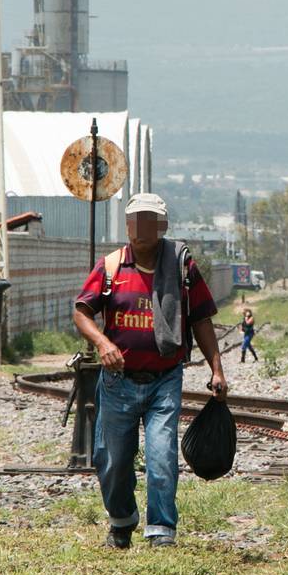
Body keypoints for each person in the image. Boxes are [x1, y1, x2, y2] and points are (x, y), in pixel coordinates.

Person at [73, 192, 227, 550]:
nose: (142, 228)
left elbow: (201, 319)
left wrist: (217, 370)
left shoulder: (181, 266)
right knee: (111, 461)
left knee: (161, 457)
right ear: (127, 226)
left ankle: (161, 531)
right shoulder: (111, 266)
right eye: (136, 220)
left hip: (164, 380)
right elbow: (82, 311)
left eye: (150, 221)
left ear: (162, 227)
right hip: (117, 382)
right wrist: (103, 343)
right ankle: (121, 522)